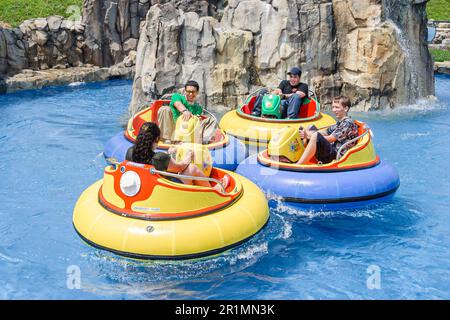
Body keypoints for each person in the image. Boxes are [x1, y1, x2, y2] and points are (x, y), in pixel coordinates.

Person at [126, 122, 229, 191]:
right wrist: (188, 157)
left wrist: (170, 155)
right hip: (166, 189)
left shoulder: (130, 152)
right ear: (156, 139)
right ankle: (213, 191)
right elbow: (180, 167)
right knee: (192, 168)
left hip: (145, 185)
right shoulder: (159, 158)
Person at [296, 95, 359, 165]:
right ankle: (298, 157)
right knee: (310, 128)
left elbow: (330, 139)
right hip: (331, 150)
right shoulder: (339, 122)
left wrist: (308, 135)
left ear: (346, 108)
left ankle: (299, 164)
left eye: (337, 107)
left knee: (315, 135)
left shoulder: (347, 123)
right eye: (333, 107)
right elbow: (326, 132)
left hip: (337, 157)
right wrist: (308, 132)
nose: (334, 110)